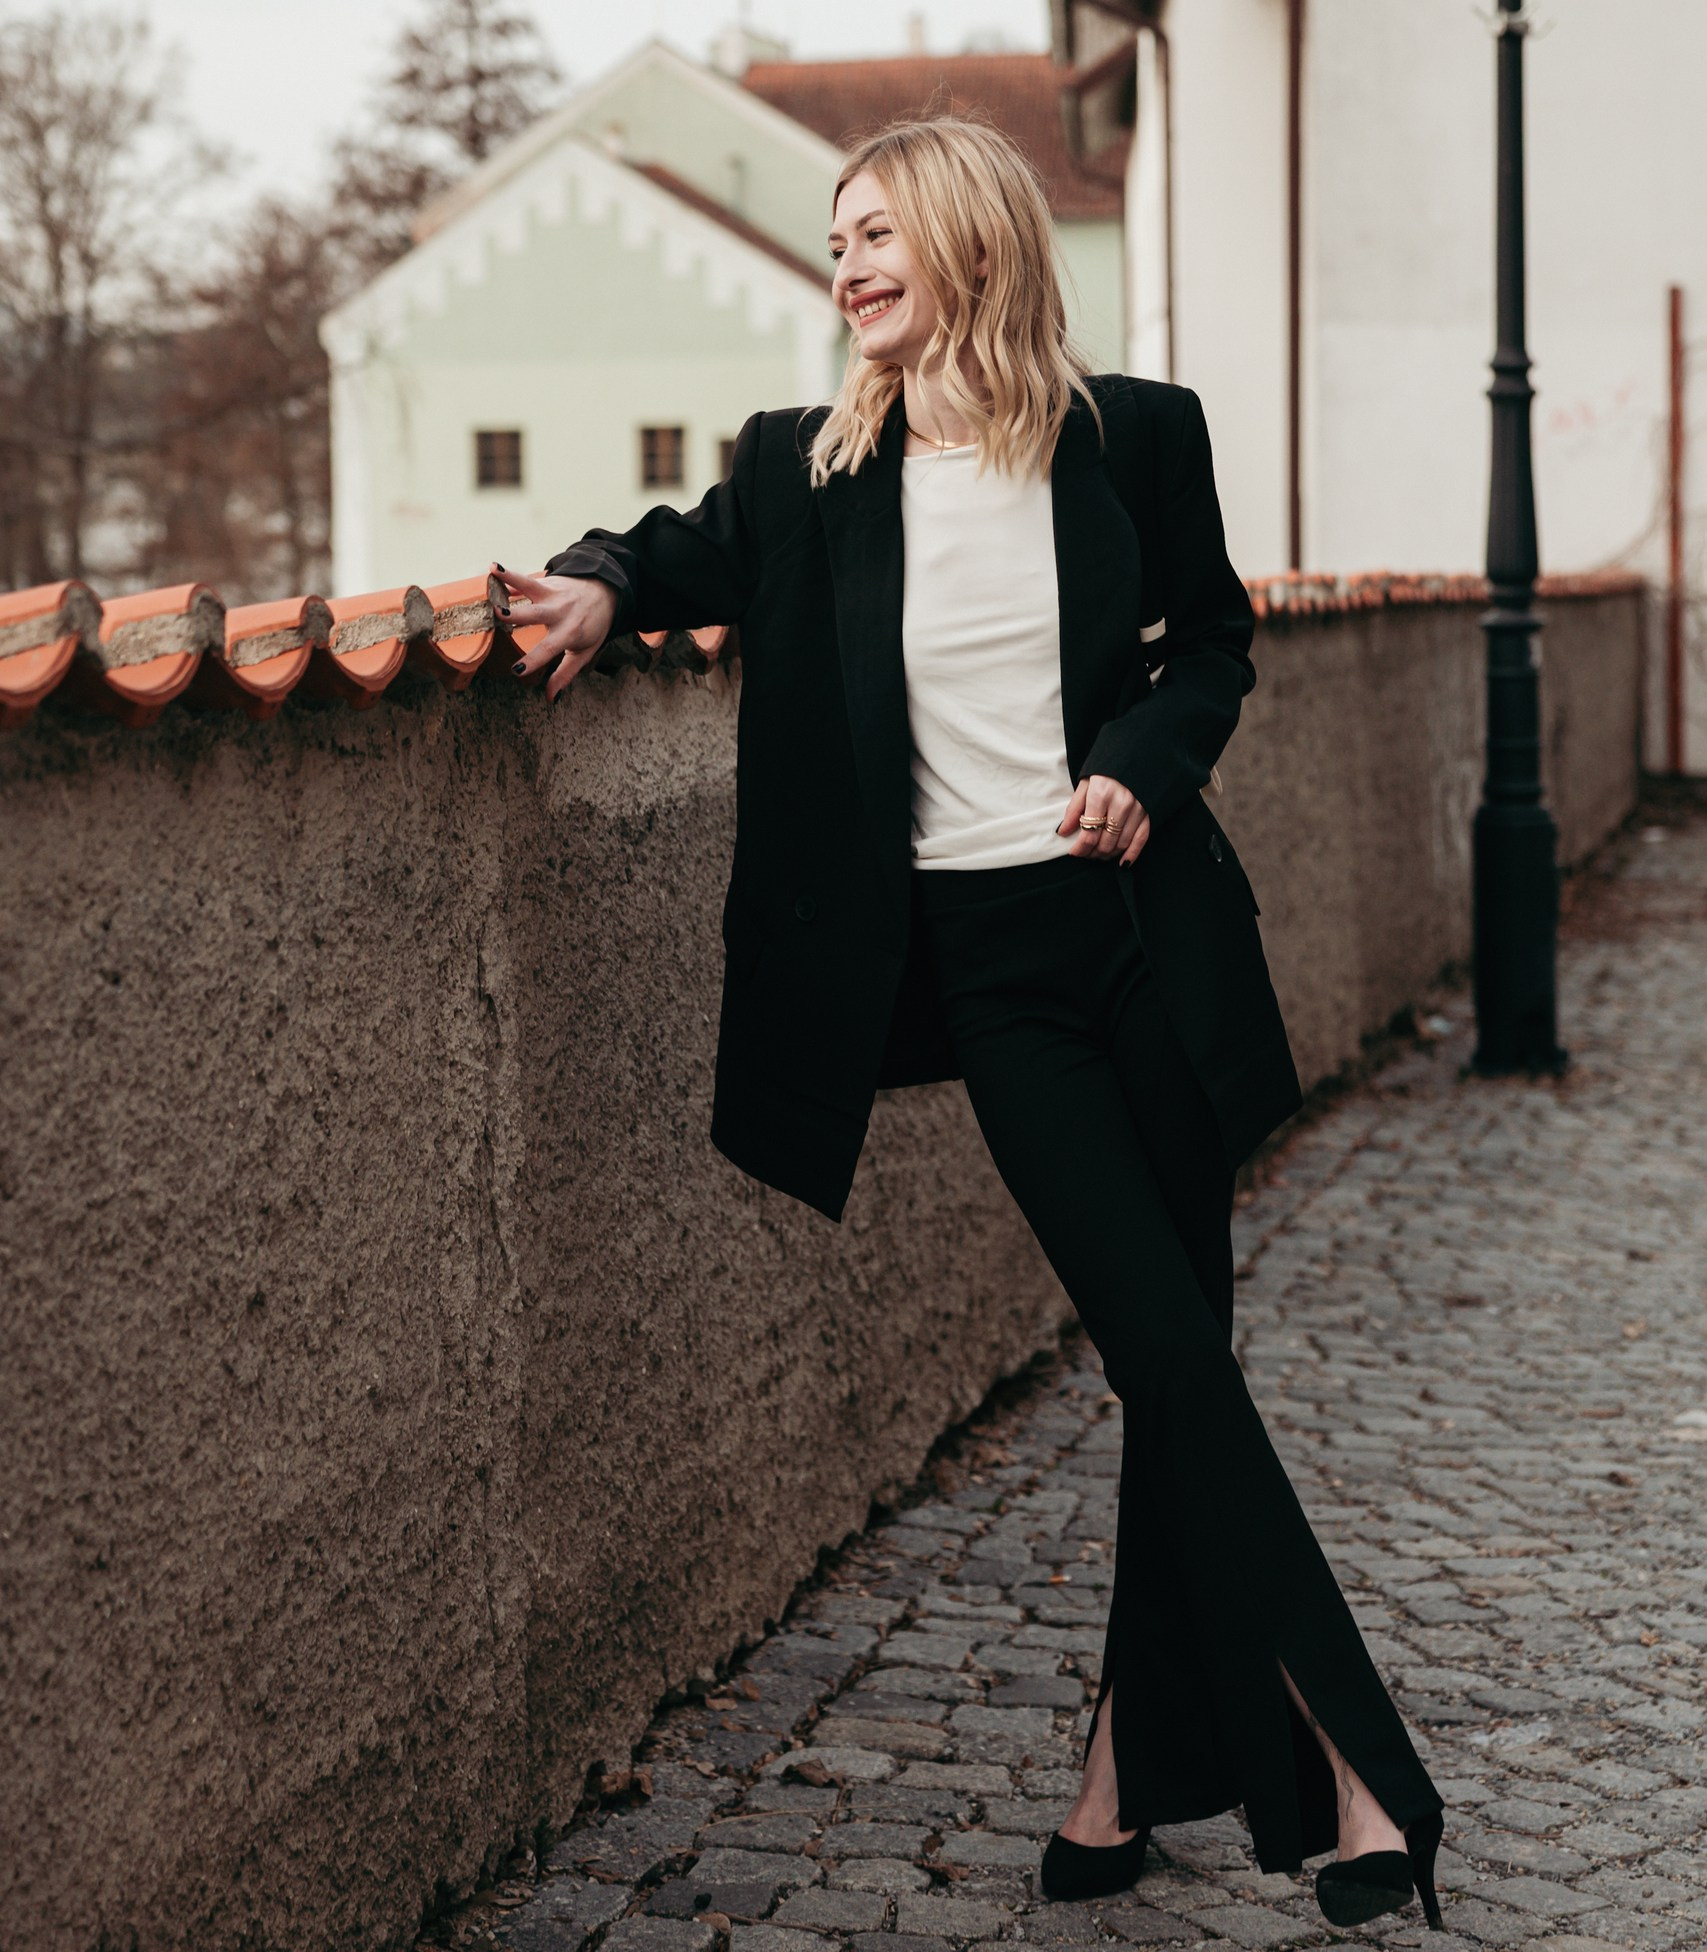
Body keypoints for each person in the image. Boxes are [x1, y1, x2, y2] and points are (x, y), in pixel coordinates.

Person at [495, 118, 1445, 1933]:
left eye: (880, 234)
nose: (848, 266)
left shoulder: (1135, 436)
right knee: (1167, 1354)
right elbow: (663, 549)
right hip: (997, 977)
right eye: (836, 240)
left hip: (1147, 938)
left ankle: (1117, 1782)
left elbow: (1214, 645)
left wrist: (1140, 763)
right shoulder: (807, 472)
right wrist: (601, 582)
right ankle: (1353, 1770)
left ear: (974, 245)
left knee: (1180, 1361)